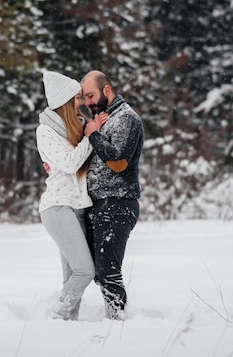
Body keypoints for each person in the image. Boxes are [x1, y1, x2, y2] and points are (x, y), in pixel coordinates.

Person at [36, 71, 106, 321]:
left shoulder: (72, 128)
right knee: (84, 271)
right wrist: (89, 137)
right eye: (77, 98)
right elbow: (68, 163)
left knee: (72, 275)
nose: (82, 103)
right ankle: (59, 315)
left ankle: (66, 325)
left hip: (76, 208)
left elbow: (79, 161)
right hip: (57, 208)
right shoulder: (45, 131)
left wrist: (93, 133)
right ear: (65, 101)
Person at [80, 70, 144, 320]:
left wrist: (93, 135)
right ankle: (112, 319)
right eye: (84, 97)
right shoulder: (101, 118)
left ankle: (117, 324)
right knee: (95, 271)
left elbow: (118, 162)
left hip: (117, 203)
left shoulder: (126, 118)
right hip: (95, 205)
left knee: (108, 271)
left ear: (106, 90)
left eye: (90, 95)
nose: (87, 102)